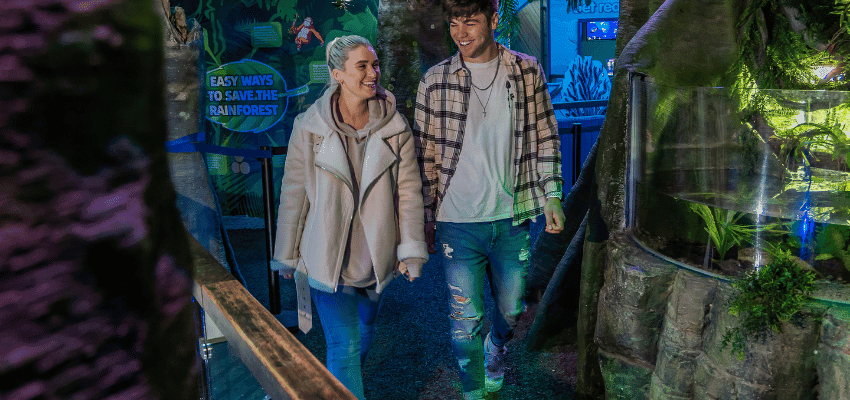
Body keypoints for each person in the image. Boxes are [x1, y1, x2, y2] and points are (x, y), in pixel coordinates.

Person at [412, 1, 565, 398]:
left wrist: (552, 195)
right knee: (464, 320)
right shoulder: (435, 79)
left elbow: (545, 136)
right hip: (456, 221)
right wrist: (424, 218)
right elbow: (424, 156)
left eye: (471, 22)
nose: (461, 33)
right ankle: (473, 390)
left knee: (512, 309)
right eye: (454, 23)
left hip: (512, 217)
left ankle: (495, 347)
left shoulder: (526, 70)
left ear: (494, 20)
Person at [272, 35, 429, 400]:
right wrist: (287, 253)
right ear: (337, 74)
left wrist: (410, 249)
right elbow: (294, 194)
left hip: (376, 257)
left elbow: (408, 193)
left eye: (375, 65)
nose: (373, 73)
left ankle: (342, 384)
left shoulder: (395, 126)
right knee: (343, 346)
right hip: (326, 257)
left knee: (363, 329)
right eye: (362, 66)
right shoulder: (308, 127)